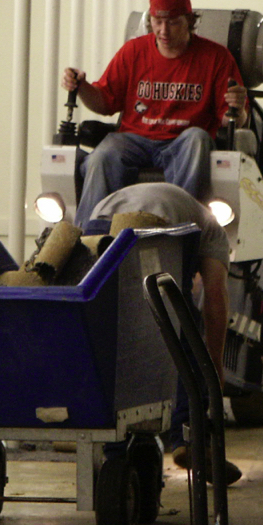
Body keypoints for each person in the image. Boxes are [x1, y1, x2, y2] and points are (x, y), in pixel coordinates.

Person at [81, 182, 241, 484]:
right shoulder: (214, 232)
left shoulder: (183, 202)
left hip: (99, 218)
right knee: (182, 330)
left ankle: (109, 434)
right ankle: (188, 441)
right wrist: (215, 365)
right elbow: (215, 300)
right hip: (160, 224)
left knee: (114, 325)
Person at [61, 0, 248, 226]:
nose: (164, 30)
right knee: (103, 154)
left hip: (182, 142)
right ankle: (89, 237)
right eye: (157, 22)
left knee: (197, 139)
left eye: (172, 22)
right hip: (135, 139)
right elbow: (104, 101)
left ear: (189, 21)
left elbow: (231, 119)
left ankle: (180, 228)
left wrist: (238, 108)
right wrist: (81, 87)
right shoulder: (133, 51)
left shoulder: (216, 58)